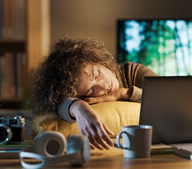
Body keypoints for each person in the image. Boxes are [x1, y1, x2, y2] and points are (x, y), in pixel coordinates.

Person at [28, 36, 158, 150]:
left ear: (99, 61)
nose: (103, 86)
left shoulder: (132, 72)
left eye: (96, 74)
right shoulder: (81, 100)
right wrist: (78, 107)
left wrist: (122, 94)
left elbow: (165, 98)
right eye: (91, 90)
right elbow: (60, 104)